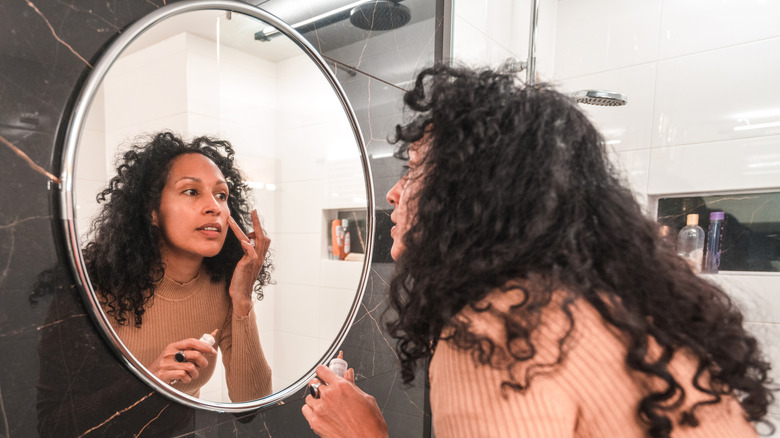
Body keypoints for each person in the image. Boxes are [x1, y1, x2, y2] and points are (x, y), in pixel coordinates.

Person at [301, 65, 776, 437]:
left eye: (416, 170)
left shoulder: (498, 329)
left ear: (470, 196)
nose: (393, 193)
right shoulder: (603, 300)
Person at [82, 131, 273, 402]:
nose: (214, 207)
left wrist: (243, 299)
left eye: (221, 195)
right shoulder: (96, 287)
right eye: (191, 191)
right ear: (153, 211)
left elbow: (251, 405)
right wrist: (149, 378)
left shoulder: (225, 289)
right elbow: (55, 421)